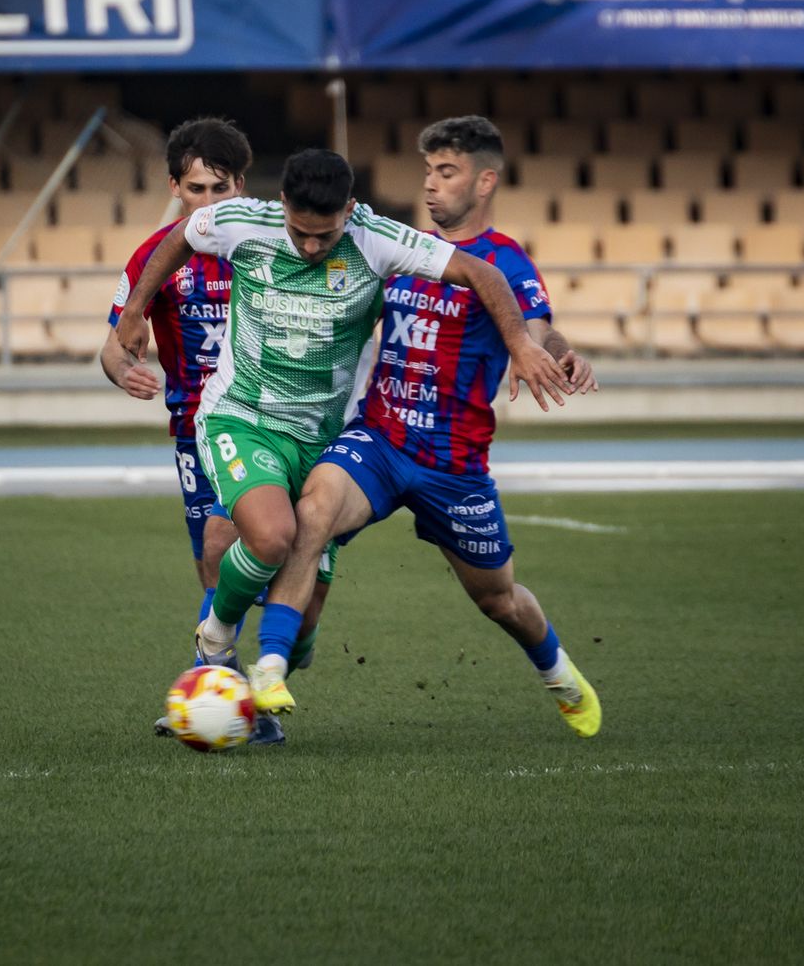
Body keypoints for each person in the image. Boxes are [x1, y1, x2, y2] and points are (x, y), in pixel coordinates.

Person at [117, 148, 572, 716]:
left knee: (305, 621)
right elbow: (183, 233)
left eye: (324, 237)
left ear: (350, 210)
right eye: (301, 233)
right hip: (243, 416)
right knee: (272, 535)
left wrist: (521, 343)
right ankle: (215, 639)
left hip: (324, 435)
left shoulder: (377, 239)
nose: (310, 247)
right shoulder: (243, 222)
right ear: (281, 205)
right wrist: (135, 307)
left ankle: (282, 652)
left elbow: (479, 271)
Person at [250, 116, 603, 736]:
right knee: (314, 512)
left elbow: (538, 325)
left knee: (499, 600)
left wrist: (553, 350)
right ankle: (269, 670)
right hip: (381, 440)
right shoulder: (404, 248)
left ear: (485, 181)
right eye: (427, 172)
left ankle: (559, 674)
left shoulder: (505, 261)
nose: (432, 186)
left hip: (454, 465)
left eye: (447, 172)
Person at [99, 119, 317, 744]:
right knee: (217, 569)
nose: (210, 204)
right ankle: (231, 694)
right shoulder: (154, 257)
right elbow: (113, 349)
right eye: (197, 189)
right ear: (175, 187)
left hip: (273, 422)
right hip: (197, 428)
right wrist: (126, 373)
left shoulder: (277, 241)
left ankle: (226, 687)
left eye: (221, 189)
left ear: (243, 186)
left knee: (245, 558)